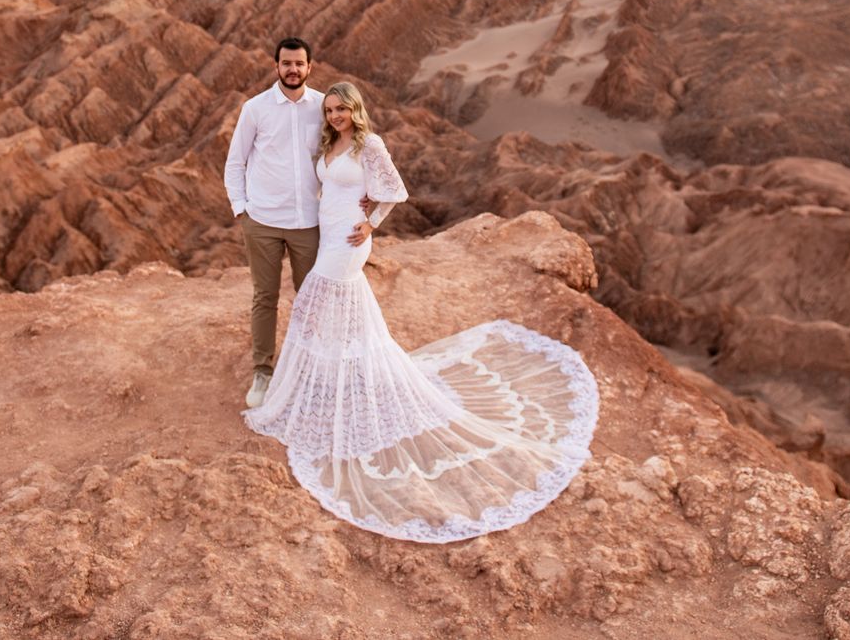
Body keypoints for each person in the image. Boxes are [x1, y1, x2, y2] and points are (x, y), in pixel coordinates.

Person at [243, 80, 599, 543]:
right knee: (335, 309)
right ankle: (342, 380)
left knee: (321, 297)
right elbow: (322, 188)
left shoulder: (371, 144)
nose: (333, 116)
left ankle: (340, 383)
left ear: (355, 109)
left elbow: (395, 190)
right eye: (328, 110)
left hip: (349, 240)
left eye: (340, 109)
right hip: (329, 230)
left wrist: (370, 222)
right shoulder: (331, 144)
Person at [225, 37, 325, 409]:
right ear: (276, 66)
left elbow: (344, 150)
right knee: (265, 298)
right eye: (286, 63)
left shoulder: (322, 107)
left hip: (309, 222)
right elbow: (236, 161)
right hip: (263, 220)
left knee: (311, 299)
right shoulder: (256, 109)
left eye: (299, 64)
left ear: (310, 67)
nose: (293, 70)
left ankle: (311, 367)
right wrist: (242, 210)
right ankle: (263, 372)